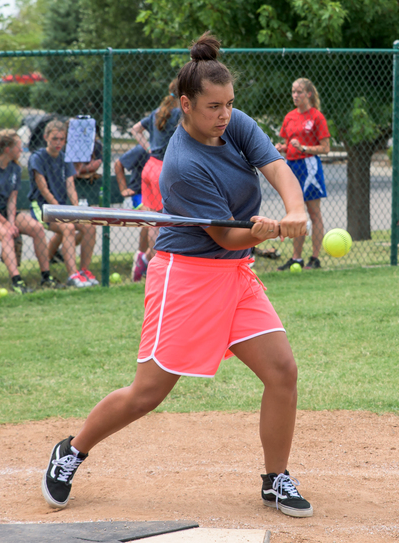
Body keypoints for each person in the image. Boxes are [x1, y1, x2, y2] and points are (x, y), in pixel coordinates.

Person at [42, 32, 313, 518]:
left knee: (282, 371)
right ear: (186, 105)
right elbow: (227, 238)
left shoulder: (238, 125)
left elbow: (277, 168)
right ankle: (72, 450)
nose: (224, 115)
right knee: (147, 393)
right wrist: (264, 232)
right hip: (185, 276)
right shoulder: (182, 168)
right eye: (214, 107)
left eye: (229, 104)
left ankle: (276, 478)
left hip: (234, 275)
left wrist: (294, 211)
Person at [0, 130, 58, 293]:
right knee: (6, 234)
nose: (22, 150)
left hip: (5, 212)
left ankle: (46, 277)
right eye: (19, 146)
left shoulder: (15, 168)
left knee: (37, 228)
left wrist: (11, 221)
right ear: (7, 149)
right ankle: (17, 282)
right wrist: (6, 225)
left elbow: (12, 200)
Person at [27, 120, 96, 288]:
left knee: (89, 227)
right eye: (55, 138)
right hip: (43, 208)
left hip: (62, 208)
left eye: (62, 139)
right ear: (45, 138)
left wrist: (76, 209)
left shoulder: (65, 158)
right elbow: (43, 189)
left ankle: (84, 272)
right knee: (68, 228)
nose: (58, 143)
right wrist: (60, 210)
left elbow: (70, 186)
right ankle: (72, 276)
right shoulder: (37, 158)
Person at [127, 80, 182, 281]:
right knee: (162, 221)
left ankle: (147, 260)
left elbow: (135, 129)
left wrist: (148, 147)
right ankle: (156, 264)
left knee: (153, 220)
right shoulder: (179, 114)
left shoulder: (158, 112)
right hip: (163, 168)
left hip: (149, 166)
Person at [274, 77, 330, 271]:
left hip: (310, 167)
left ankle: (315, 258)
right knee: (295, 213)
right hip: (292, 166)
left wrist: (304, 147)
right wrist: (282, 147)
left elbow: (325, 148)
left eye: (299, 92)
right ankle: (296, 258)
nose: (295, 95)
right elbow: (288, 143)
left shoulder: (316, 117)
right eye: (293, 92)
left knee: (314, 214)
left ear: (308, 94)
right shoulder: (290, 116)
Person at [113, 128, 151, 280]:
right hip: (139, 195)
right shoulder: (144, 149)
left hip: (158, 194)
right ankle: (141, 259)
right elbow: (118, 164)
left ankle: (149, 260)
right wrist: (123, 189)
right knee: (151, 217)